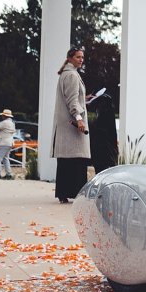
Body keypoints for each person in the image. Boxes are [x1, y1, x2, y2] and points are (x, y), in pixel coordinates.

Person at [53, 47, 91, 203]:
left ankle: (64, 193)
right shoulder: (72, 75)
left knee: (66, 161)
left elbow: (72, 98)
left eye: (82, 57)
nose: (81, 60)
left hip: (66, 125)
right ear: (69, 58)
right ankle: (76, 192)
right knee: (75, 159)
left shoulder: (67, 74)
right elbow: (72, 101)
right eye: (78, 57)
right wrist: (79, 118)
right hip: (72, 126)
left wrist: (85, 98)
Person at [89, 92, 119, 173]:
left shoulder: (102, 119)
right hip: (108, 152)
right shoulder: (110, 115)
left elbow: (96, 130)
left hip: (101, 151)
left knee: (101, 171)